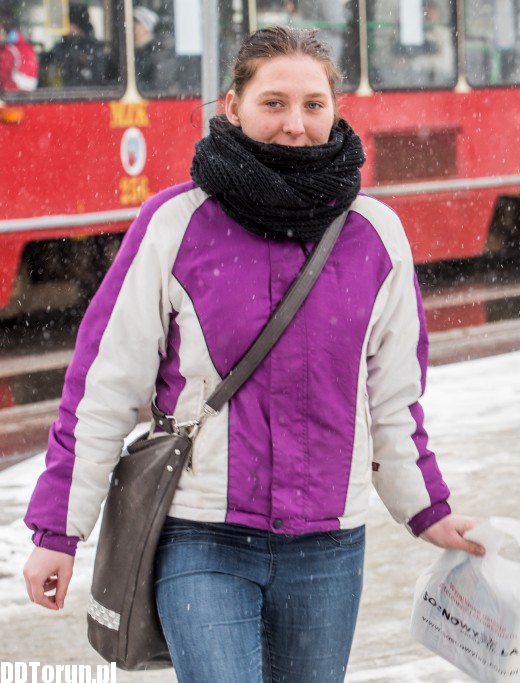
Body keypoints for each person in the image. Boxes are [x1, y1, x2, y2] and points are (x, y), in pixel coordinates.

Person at [23, 25, 484, 681]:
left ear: (335, 110)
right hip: (203, 535)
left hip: (328, 544)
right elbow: (103, 387)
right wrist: (57, 534)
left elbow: (393, 405)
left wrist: (428, 509)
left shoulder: (376, 236)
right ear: (231, 107)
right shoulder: (175, 224)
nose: (295, 124)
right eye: (274, 103)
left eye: (313, 104)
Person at [42, 4, 109, 87]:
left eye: (70, 23)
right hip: (62, 96)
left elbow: (98, 78)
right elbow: (48, 64)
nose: (67, 28)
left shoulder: (93, 48)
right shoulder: (61, 47)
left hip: (87, 95)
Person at [0, 1, 38, 92]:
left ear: (5, 31)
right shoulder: (15, 45)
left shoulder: (11, 49)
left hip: (16, 94)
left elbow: (4, 75)